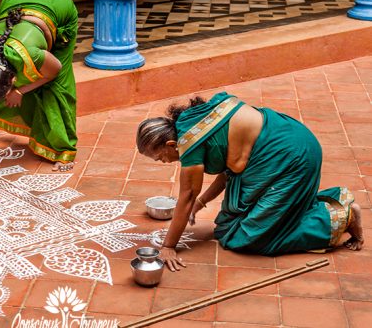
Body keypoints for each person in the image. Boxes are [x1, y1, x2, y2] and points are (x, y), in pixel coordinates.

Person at [136, 92, 364, 271]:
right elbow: (226, 173)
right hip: (290, 140)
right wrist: (202, 203)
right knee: (227, 226)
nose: (164, 162)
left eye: (160, 158)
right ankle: (321, 203)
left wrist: (168, 246)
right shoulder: (191, 122)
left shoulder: (188, 142)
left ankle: (341, 216)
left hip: (291, 157)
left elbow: (186, 196)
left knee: (249, 239)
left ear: (170, 145)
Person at [0, 0, 79, 173]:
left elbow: (54, 71)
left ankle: (63, 149)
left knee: (55, 88)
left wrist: (20, 91)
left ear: (15, 78)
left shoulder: (32, 55)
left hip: (58, 7)